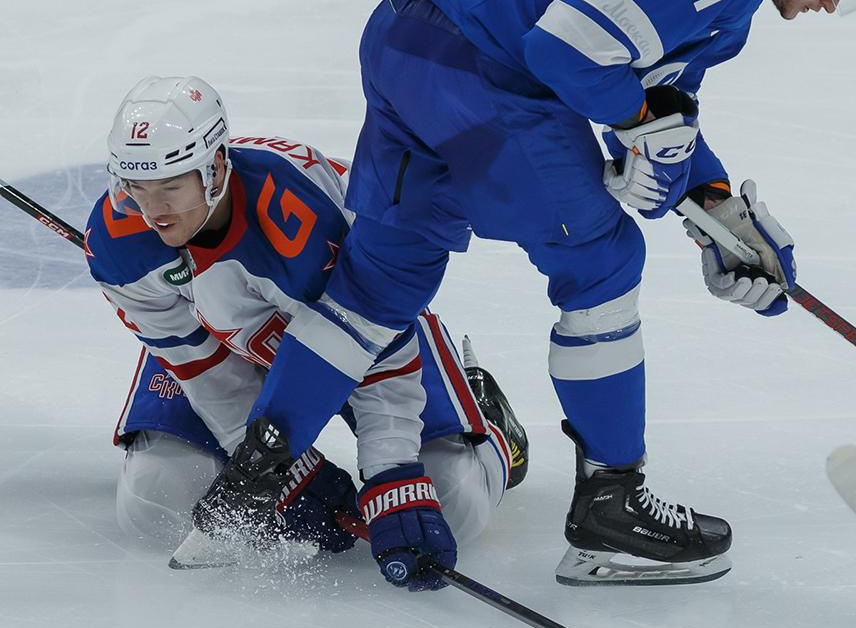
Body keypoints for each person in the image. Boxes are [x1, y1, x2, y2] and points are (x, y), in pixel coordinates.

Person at [236, 0, 856, 587]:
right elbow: (567, 51)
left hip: (410, 38)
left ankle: (248, 487)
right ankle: (611, 511)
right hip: (479, 60)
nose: (830, 4)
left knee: (381, 278)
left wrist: (719, 209)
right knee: (602, 261)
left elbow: (651, 90)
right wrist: (645, 123)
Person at [86, 76, 528, 584]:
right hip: (229, 341)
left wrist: (391, 472)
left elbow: (374, 341)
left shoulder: (297, 222)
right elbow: (198, 362)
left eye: (170, 186)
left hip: (370, 346)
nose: (152, 210)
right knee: (154, 504)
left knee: (453, 506)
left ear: (215, 169)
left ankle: (490, 427)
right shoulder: (119, 240)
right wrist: (279, 467)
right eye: (137, 187)